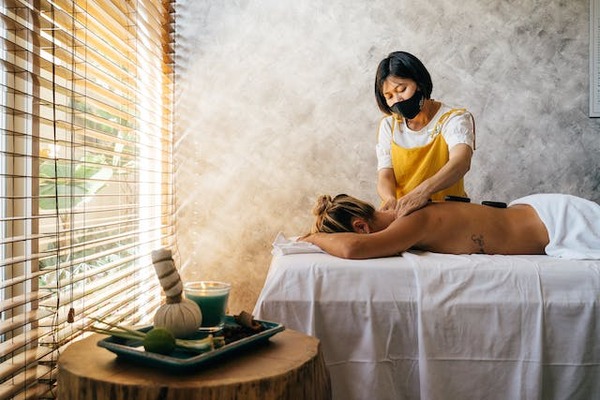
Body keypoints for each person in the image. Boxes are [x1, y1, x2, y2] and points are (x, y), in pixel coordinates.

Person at [301, 193, 600, 260]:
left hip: (559, 222)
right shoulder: (403, 213)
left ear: (361, 227)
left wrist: (314, 238)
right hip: (539, 213)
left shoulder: (412, 221)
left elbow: (353, 249)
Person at [374, 51, 476, 216]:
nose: (397, 100)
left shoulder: (453, 119)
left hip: (448, 216)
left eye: (402, 89)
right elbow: (385, 175)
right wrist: (390, 199)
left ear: (419, 83)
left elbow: (461, 161)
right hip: (403, 214)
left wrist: (423, 192)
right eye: (389, 96)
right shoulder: (389, 125)